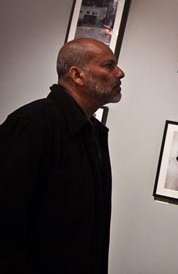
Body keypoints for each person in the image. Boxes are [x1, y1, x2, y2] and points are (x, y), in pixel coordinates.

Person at [0, 38, 125, 274]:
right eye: (109, 66)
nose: (120, 73)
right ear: (77, 75)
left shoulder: (92, 132)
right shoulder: (34, 123)